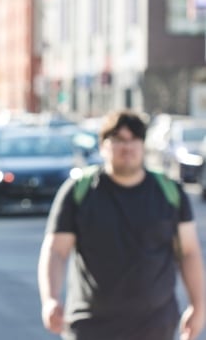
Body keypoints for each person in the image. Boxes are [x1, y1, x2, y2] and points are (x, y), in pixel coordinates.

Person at [37, 110, 205, 340]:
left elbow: (189, 252)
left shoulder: (169, 192)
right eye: (118, 140)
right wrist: (50, 299)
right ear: (103, 146)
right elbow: (56, 251)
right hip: (90, 326)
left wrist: (198, 305)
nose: (127, 147)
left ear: (143, 144)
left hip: (156, 325)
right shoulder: (79, 191)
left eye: (134, 139)